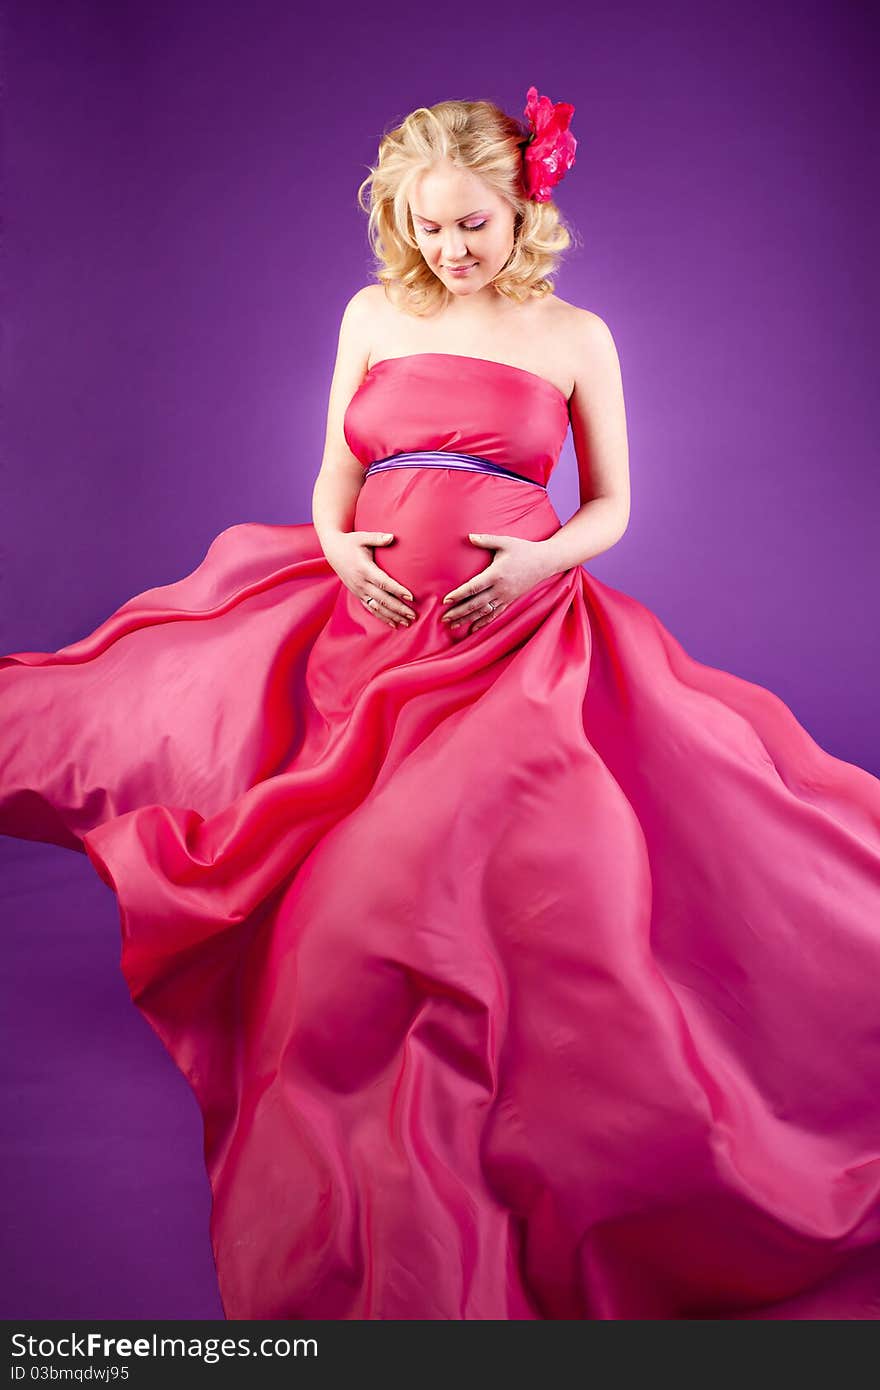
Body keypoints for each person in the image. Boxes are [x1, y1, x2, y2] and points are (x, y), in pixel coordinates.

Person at [2, 86, 880, 1322]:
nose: (448, 249)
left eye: (472, 225)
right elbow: (333, 473)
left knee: (469, 874)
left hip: (512, 641)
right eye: (426, 227)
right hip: (362, 631)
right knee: (161, 735)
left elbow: (612, 505)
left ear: (527, 207)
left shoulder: (577, 336)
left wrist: (535, 561)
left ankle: (501, 1108)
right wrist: (341, 547)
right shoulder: (372, 311)